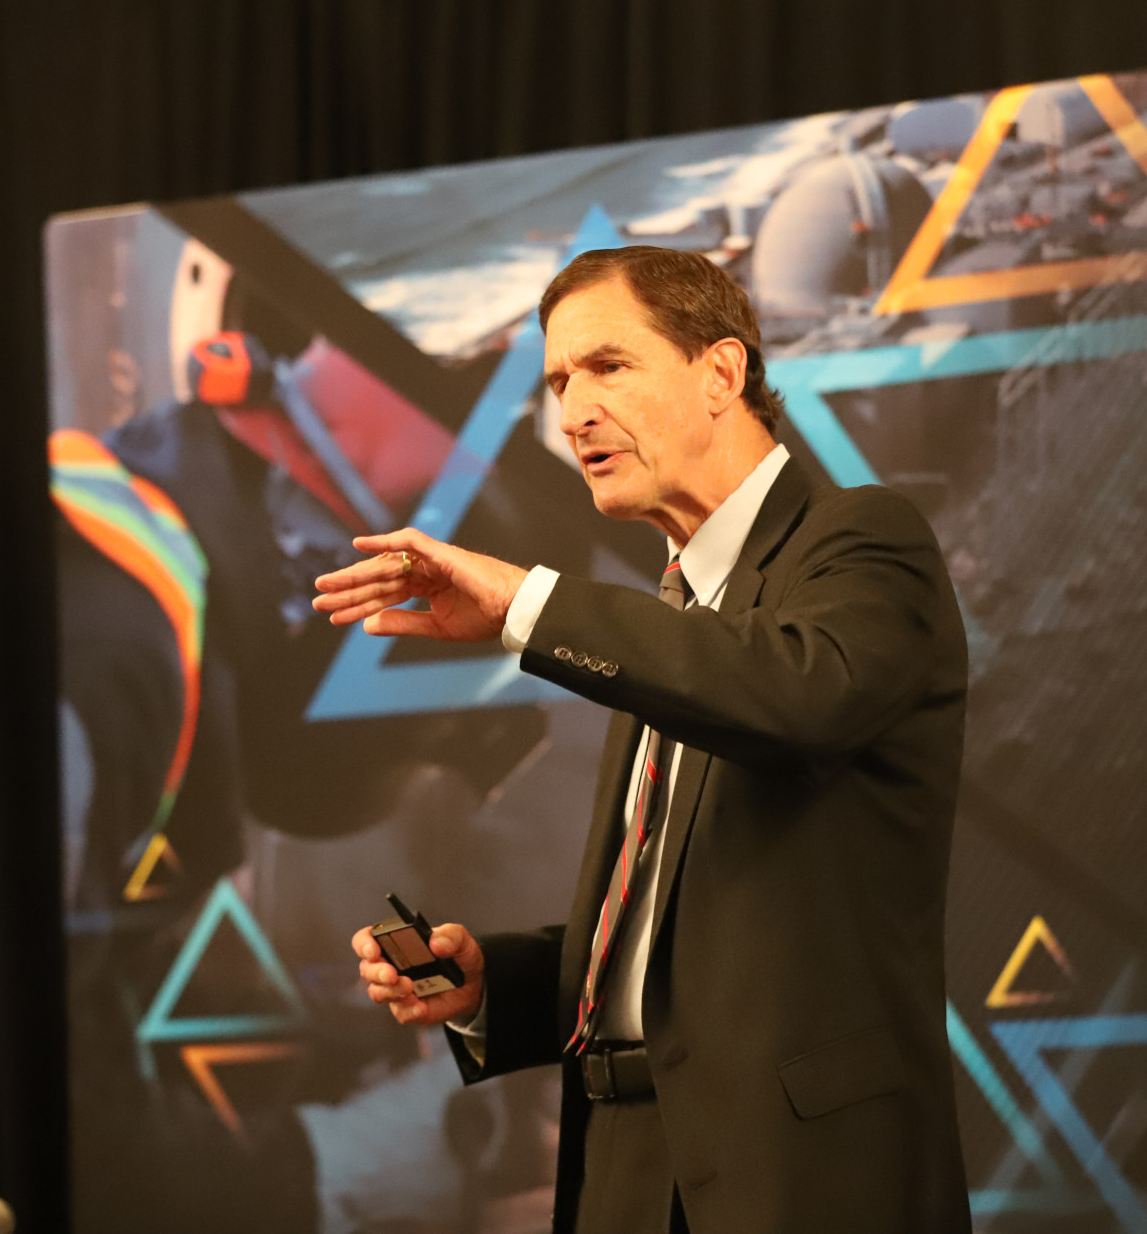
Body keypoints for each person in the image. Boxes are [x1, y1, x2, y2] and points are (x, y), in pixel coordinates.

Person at [311, 246, 970, 1234]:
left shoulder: (862, 541)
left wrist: (525, 602)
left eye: (608, 367)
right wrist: (494, 986)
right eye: (557, 383)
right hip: (622, 1170)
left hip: (798, 1179)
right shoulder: (664, 621)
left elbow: (799, 695)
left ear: (720, 372)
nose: (573, 412)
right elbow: (669, 935)